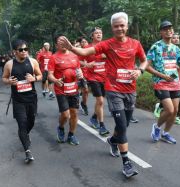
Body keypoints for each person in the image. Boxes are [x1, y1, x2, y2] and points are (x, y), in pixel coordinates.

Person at [58, 12, 148, 178]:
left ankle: (113, 140)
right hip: (113, 90)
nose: (119, 28)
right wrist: (71, 48)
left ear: (127, 26)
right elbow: (86, 53)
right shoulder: (107, 44)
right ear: (112, 28)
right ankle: (126, 162)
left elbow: (144, 60)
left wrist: (140, 70)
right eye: (116, 26)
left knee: (125, 125)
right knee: (121, 126)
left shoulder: (135, 44)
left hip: (130, 90)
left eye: (122, 25)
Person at [147, 21, 180, 144]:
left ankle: (165, 133)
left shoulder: (176, 48)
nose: (169, 31)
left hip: (174, 83)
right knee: (170, 110)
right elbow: (147, 67)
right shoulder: (156, 47)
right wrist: (162, 76)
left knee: (175, 111)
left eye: (170, 28)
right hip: (160, 82)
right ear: (161, 32)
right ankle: (157, 127)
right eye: (165, 29)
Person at [2, 39, 42, 163]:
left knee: (31, 122)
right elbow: (3, 78)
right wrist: (9, 81)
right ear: (15, 52)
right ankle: (27, 152)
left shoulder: (33, 61)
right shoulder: (9, 64)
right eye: (21, 50)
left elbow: (41, 76)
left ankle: (25, 135)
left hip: (32, 99)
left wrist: (34, 78)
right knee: (22, 123)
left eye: (26, 49)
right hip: (18, 100)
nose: (24, 52)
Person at [48, 34, 83, 146]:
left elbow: (78, 71)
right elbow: (50, 75)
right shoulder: (53, 57)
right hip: (61, 90)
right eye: (60, 41)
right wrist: (55, 80)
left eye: (65, 41)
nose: (63, 43)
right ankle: (61, 127)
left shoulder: (74, 56)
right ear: (56, 44)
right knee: (65, 115)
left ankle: (71, 135)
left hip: (74, 89)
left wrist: (80, 75)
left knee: (74, 113)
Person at [153, 32, 180, 125]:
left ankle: (174, 114)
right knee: (174, 96)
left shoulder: (177, 49)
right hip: (164, 78)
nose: (176, 39)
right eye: (174, 38)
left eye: (178, 37)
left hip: (176, 76)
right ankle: (165, 110)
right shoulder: (161, 48)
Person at [82, 27, 110, 136]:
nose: (99, 34)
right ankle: (102, 125)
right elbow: (77, 59)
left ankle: (94, 117)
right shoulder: (87, 48)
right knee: (101, 101)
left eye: (100, 33)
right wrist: (86, 64)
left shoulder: (106, 46)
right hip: (93, 78)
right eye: (96, 33)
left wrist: (106, 55)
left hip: (105, 77)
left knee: (100, 101)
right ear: (92, 36)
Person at [77, 37, 90, 115]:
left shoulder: (91, 51)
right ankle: (81, 104)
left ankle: (83, 103)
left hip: (90, 74)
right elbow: (76, 61)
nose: (84, 43)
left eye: (85, 41)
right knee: (84, 89)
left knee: (85, 91)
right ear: (80, 44)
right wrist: (85, 64)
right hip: (80, 74)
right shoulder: (79, 52)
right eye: (82, 42)